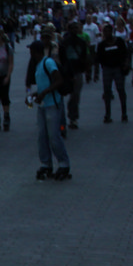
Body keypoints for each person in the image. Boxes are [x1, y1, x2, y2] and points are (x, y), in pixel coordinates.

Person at [29, 33, 71, 180]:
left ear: (35, 52)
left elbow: (59, 80)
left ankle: (63, 164)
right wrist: (37, 94)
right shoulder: (38, 65)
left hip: (53, 103)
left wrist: (44, 93)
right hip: (43, 105)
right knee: (42, 136)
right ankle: (46, 163)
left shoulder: (48, 62)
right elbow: (43, 84)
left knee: (54, 136)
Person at [95, 23, 130, 123]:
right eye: (105, 32)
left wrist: (126, 64)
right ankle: (107, 114)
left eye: (108, 31)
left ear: (112, 32)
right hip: (107, 69)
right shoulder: (101, 45)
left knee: (121, 90)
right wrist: (96, 72)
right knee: (107, 92)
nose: (106, 33)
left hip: (118, 68)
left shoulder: (119, 41)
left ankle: (124, 113)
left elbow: (125, 53)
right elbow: (98, 58)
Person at [59, 22, 90, 130]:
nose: (75, 30)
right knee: (64, 94)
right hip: (66, 72)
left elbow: (84, 56)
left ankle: (73, 117)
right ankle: (63, 118)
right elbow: (62, 57)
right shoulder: (64, 43)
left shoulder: (81, 42)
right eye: (72, 28)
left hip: (77, 71)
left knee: (75, 95)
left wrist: (86, 69)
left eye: (76, 28)